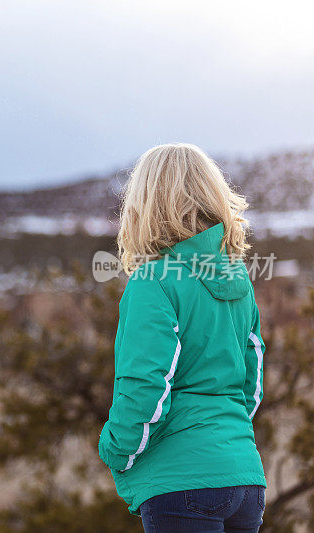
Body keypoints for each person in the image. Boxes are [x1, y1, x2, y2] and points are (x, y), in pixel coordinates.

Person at [97, 143, 266, 532]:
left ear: (144, 204)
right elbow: (251, 386)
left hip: (181, 484)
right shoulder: (239, 279)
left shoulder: (152, 281)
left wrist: (114, 450)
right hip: (244, 479)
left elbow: (145, 387)